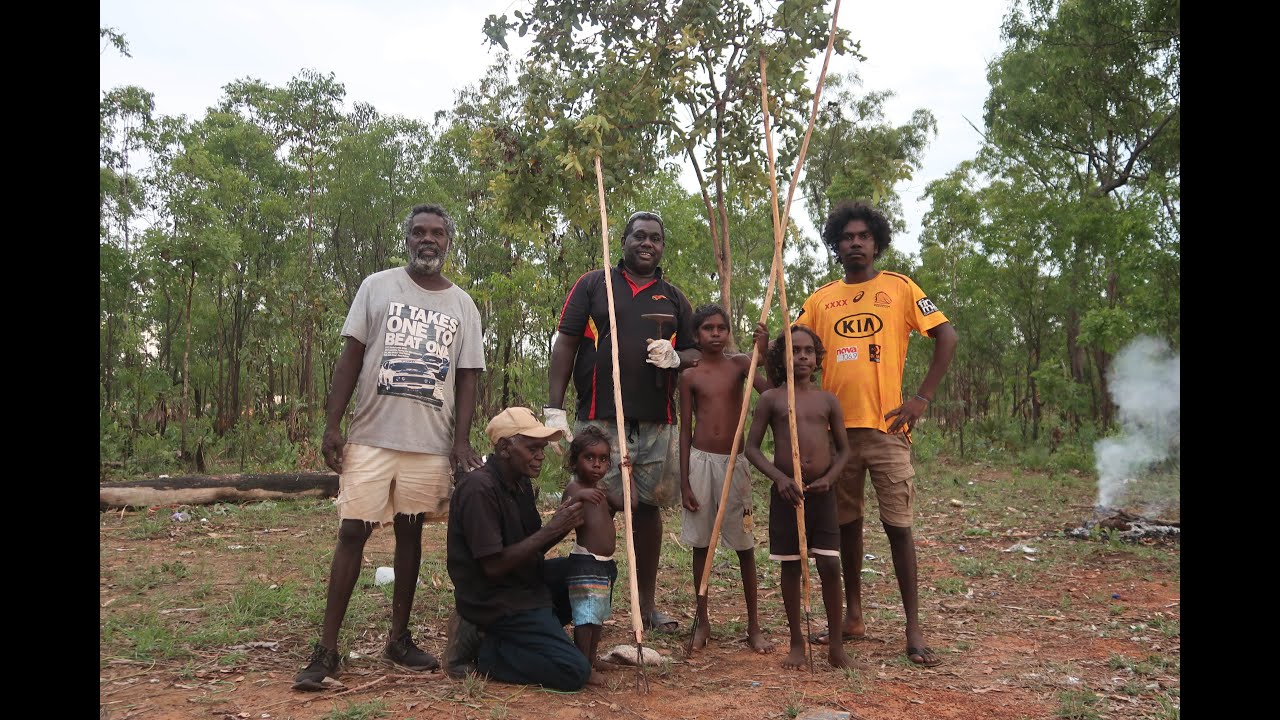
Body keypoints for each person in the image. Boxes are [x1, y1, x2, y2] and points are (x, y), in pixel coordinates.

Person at [294, 203, 486, 691]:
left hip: (429, 442)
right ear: (408, 239)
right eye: (420, 232)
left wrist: (461, 441)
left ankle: (398, 640)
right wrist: (333, 425)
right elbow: (351, 358)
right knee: (353, 533)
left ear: (448, 241)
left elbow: (467, 379)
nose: (428, 240)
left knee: (411, 533)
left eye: (437, 233)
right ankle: (327, 651)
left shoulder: (463, 305)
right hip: (372, 435)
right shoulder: (377, 287)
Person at [794, 200, 959, 668]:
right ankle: (853, 617)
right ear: (836, 245)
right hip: (835, 436)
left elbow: (946, 335)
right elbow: (791, 348)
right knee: (846, 527)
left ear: (877, 241)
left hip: (888, 428)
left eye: (863, 236)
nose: (855, 243)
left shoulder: (900, 288)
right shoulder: (821, 300)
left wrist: (921, 399)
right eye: (846, 237)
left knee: (898, 527)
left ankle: (913, 627)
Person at [545, 210, 700, 633]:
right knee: (594, 504)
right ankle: (588, 605)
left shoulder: (673, 297)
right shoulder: (595, 285)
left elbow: (698, 352)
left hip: (655, 421)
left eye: (655, 238)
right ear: (625, 241)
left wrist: (677, 358)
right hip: (599, 417)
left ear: (663, 246)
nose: (647, 244)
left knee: (647, 510)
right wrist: (554, 408)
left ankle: (645, 605)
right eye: (639, 236)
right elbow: (566, 343)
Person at [445, 407, 593, 691]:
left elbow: (530, 546)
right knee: (574, 671)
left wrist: (561, 526)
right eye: (533, 448)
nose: (540, 455)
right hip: (494, 600)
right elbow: (494, 566)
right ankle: (487, 650)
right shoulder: (479, 489)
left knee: (590, 572)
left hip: (523, 584)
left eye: (542, 448)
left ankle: (529, 635)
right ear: (504, 448)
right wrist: (552, 529)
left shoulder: (520, 482)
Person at [745, 326, 862, 670]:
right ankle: (797, 642)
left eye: (809, 351)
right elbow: (752, 449)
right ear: (782, 358)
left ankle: (836, 647)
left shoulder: (828, 400)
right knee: (792, 564)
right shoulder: (772, 399)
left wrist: (829, 479)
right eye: (794, 351)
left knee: (828, 563)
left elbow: (844, 451)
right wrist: (780, 478)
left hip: (822, 495)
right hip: (787, 495)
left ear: (817, 357)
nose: (802, 357)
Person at [678, 304, 774, 653]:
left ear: (729, 332)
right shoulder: (690, 375)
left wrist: (764, 350)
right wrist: (685, 481)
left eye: (721, 328)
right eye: (708, 328)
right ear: (696, 335)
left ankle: (754, 626)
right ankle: (702, 622)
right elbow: (685, 429)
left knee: (744, 546)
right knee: (701, 544)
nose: (715, 334)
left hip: (735, 463)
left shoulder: (740, 365)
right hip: (700, 463)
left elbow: (772, 391)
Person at [562, 425, 628, 685]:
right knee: (585, 617)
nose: (597, 465)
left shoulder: (602, 491)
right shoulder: (574, 488)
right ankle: (583, 666)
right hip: (584, 563)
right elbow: (565, 510)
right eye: (589, 458)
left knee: (597, 614)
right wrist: (581, 495)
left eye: (602, 459)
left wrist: (627, 475)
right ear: (575, 461)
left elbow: (629, 505)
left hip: (604, 566)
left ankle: (591, 658)